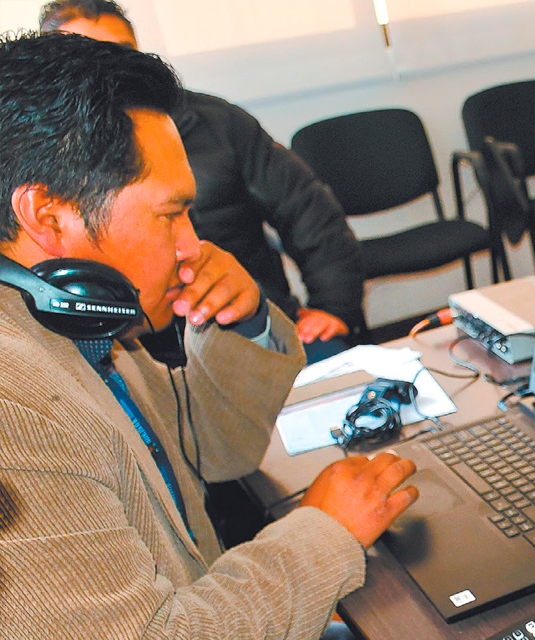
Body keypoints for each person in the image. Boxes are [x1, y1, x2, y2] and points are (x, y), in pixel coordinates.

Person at [0, 32, 418, 638]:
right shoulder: (16, 408)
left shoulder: (71, 319)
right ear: (47, 216)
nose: (194, 245)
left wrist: (245, 319)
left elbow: (210, 449)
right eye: (171, 214)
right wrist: (326, 530)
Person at [40, 0, 367, 363]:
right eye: (90, 60)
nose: (112, 72)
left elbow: (306, 209)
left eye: (122, 54)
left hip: (254, 329)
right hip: (137, 360)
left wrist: (334, 306)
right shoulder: (43, 163)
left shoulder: (220, 123)